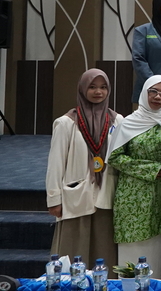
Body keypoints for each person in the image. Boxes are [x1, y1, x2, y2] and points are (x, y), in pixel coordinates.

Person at [107, 75, 161, 276]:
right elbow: (114, 157)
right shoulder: (129, 122)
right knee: (135, 254)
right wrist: (149, 169)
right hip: (134, 197)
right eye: (153, 91)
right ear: (144, 92)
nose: (158, 97)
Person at [46, 69, 121, 265]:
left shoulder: (118, 121)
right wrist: (54, 198)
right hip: (76, 197)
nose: (98, 92)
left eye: (103, 87)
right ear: (82, 89)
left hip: (106, 196)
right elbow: (55, 163)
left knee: (104, 255)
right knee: (72, 254)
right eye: (92, 87)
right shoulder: (66, 123)